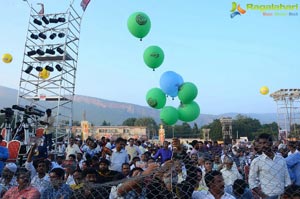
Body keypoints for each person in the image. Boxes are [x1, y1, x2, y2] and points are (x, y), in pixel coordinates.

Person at [249, 133, 291, 199]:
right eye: (260, 143)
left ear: (271, 143)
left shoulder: (281, 159)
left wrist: (285, 193)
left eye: (265, 143)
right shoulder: (257, 161)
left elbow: (287, 178)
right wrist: (263, 195)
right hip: (267, 195)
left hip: (282, 195)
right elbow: (251, 181)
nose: (262, 146)